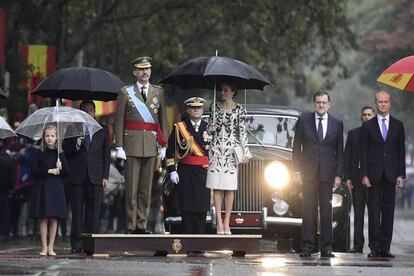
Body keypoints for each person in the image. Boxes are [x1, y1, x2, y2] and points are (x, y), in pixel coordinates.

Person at [114, 56, 168, 234]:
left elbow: (163, 121)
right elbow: (119, 120)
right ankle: (130, 224)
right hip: (131, 145)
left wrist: (164, 145)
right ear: (135, 72)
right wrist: (119, 146)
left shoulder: (158, 92)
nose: (145, 72)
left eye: (147, 69)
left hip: (151, 146)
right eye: (141, 69)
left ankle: (142, 225)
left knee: (146, 189)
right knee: (131, 190)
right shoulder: (125, 92)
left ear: (150, 71)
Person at [292, 90, 344, 258]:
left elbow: (339, 151)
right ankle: (307, 247)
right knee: (308, 210)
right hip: (307, 172)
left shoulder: (337, 123)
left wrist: (338, 175)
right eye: (318, 102)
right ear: (314, 103)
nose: (321, 105)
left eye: (324, 102)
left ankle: (326, 248)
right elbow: (296, 147)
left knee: (327, 211)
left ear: (329, 104)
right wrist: (296, 170)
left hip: (328, 173)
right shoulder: (304, 120)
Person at [360, 91, 405, 258]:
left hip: (392, 174)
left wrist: (401, 175)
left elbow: (400, 151)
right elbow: (363, 153)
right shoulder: (368, 126)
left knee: (388, 211)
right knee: (373, 211)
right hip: (373, 174)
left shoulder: (398, 125)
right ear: (376, 103)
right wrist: (364, 174)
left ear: (390, 103)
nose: (383, 104)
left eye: (385, 102)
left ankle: (385, 248)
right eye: (380, 102)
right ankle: (374, 247)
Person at [63, 100, 110, 253]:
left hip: (95, 177)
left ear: (94, 112)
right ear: (80, 112)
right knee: (77, 213)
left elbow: (106, 155)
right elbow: (66, 151)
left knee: (93, 212)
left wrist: (105, 176)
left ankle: (91, 244)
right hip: (77, 177)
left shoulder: (103, 130)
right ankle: (76, 244)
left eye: (90, 110)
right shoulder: (72, 129)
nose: (88, 113)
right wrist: (76, 144)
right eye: (85, 110)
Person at [206, 82, 251, 235]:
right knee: (217, 187)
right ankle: (218, 222)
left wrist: (246, 152)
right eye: (221, 90)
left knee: (230, 188)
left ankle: (227, 222)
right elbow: (209, 130)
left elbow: (242, 133)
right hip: (216, 150)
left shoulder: (240, 110)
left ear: (233, 92)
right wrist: (210, 129)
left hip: (231, 151)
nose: (222, 93)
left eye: (225, 90)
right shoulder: (214, 106)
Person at [166, 97, 211, 234]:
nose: (196, 110)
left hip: (204, 174)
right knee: (187, 209)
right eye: (193, 108)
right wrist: (172, 171)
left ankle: (200, 244)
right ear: (188, 110)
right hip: (186, 174)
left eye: (199, 108)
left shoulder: (209, 128)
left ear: (202, 110)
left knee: (201, 209)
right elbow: (170, 151)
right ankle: (188, 242)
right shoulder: (180, 128)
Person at [29, 124, 68, 256]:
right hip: (43, 187)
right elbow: (34, 171)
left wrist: (61, 167)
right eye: (47, 136)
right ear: (43, 137)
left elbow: (66, 173)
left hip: (56, 187)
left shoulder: (60, 154)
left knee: (54, 218)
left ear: (57, 137)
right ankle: (44, 247)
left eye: (52, 136)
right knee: (43, 217)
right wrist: (48, 171)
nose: (49, 138)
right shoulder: (39, 153)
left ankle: (51, 247)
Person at [344, 106, 375, 254]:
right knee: (358, 214)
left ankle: (375, 246)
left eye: (369, 114)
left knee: (375, 213)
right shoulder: (353, 134)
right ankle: (357, 245)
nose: (367, 117)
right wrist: (347, 177)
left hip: (374, 180)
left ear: (374, 116)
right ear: (361, 117)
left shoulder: (379, 135)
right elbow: (347, 157)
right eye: (364, 115)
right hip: (356, 179)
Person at [0, 139, 16, 241]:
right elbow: (12, 176)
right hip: (4, 189)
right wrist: (11, 187)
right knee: (5, 211)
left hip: (4, 188)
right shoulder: (7, 157)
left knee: (5, 211)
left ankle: (5, 233)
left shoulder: (6, 158)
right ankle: (5, 233)